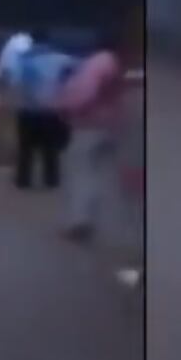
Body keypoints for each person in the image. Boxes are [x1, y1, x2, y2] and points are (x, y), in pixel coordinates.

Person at [60, 30, 126, 242]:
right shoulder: (116, 64)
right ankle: (91, 220)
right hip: (110, 125)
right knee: (97, 173)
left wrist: (68, 108)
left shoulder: (97, 63)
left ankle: (80, 221)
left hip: (89, 125)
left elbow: (84, 93)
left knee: (80, 172)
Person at [13, 29, 77, 190]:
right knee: (51, 148)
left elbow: (16, 84)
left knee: (26, 148)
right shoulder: (62, 59)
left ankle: (23, 180)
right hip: (52, 110)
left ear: (32, 42)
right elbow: (75, 74)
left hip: (28, 110)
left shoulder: (23, 60)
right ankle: (51, 180)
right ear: (48, 41)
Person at [0, 30, 34, 167]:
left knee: (5, 124)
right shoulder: (24, 44)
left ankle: (5, 157)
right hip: (15, 86)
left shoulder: (13, 44)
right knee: (12, 123)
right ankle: (11, 156)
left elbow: (5, 69)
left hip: (7, 85)